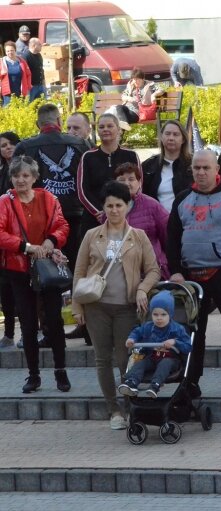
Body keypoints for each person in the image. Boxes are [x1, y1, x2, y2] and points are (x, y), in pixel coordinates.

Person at [167, 149, 221, 405]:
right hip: (191, 277)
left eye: (206, 168)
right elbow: (172, 237)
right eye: (196, 168)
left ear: (217, 169)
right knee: (195, 333)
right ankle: (191, 381)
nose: (201, 172)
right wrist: (175, 269)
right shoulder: (182, 199)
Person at [72, 181, 161, 430]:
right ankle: (113, 410)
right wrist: (77, 308)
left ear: (127, 206)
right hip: (96, 307)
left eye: (118, 205)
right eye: (109, 205)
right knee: (102, 359)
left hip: (126, 307)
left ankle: (130, 406)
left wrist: (143, 288)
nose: (113, 210)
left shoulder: (139, 236)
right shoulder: (92, 235)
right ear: (103, 207)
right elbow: (79, 273)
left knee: (125, 359)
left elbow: (154, 269)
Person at [0, 156, 70, 393]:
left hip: (46, 268)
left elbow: (62, 225)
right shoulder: (4, 202)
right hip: (18, 269)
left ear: (35, 178)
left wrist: (51, 242)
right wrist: (26, 247)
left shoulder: (48, 198)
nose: (20, 180)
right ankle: (33, 375)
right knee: (28, 324)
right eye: (16, 176)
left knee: (54, 320)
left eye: (25, 176)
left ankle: (61, 372)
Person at [15, 103, 90, 268]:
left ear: (37, 124)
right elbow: (90, 179)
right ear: (59, 121)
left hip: (40, 216)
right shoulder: (80, 144)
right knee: (77, 265)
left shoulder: (25, 146)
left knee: (45, 269)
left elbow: (13, 183)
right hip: (76, 213)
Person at [77, 113, 141, 237]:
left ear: (118, 130)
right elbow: (82, 191)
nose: (105, 129)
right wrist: (100, 212)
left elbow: (138, 186)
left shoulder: (131, 155)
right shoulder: (88, 156)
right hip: (94, 219)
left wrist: (124, 210)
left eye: (110, 126)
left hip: (125, 217)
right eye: (101, 127)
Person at [117, 290, 191, 398]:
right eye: (155, 314)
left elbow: (188, 346)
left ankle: (155, 385)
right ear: (151, 314)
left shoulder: (177, 329)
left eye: (163, 314)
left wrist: (175, 342)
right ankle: (132, 383)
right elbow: (137, 332)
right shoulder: (148, 326)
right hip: (152, 358)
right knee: (140, 363)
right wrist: (131, 339)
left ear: (170, 314)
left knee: (165, 363)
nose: (159, 318)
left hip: (172, 360)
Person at [113, 162, 169, 279]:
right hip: (121, 273)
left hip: (152, 269)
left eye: (131, 179)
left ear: (139, 182)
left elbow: (167, 237)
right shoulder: (110, 209)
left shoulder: (152, 205)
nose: (126, 183)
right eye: (121, 180)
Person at [141, 120, 192, 212]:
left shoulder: (194, 165)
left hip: (187, 220)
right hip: (156, 220)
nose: (171, 138)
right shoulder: (147, 166)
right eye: (167, 134)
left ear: (183, 139)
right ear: (161, 137)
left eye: (176, 134)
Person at [0, 132, 19, 348]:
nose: (7, 148)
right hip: (4, 237)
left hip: (23, 236)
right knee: (5, 286)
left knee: (25, 289)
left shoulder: (26, 169)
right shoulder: (2, 171)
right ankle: (9, 334)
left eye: (11, 144)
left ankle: (31, 331)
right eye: (3, 145)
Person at [0, 40, 31, 106]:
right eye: (8, 51)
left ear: (15, 50)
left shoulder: (22, 61)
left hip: (20, 91)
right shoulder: (2, 62)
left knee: (21, 110)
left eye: (12, 50)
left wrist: (28, 87)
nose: (10, 52)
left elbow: (28, 74)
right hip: (7, 93)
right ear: (5, 52)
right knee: (8, 111)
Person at [20, 38, 44, 102]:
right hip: (31, 87)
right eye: (39, 44)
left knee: (41, 105)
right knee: (30, 105)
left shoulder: (39, 55)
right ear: (34, 45)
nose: (41, 46)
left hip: (40, 85)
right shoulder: (25, 56)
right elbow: (24, 73)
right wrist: (28, 86)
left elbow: (41, 69)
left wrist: (43, 82)